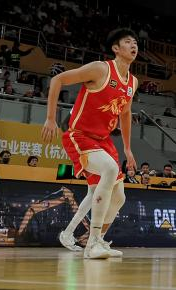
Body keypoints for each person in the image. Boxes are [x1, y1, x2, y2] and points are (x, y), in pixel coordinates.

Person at [43, 28, 139, 259]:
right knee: (109, 169)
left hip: (104, 140)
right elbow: (57, 79)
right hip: (79, 135)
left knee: (119, 197)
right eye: (128, 42)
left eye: (136, 42)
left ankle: (99, 241)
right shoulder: (100, 69)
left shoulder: (133, 82)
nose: (134, 45)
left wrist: (127, 148)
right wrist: (50, 118)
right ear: (116, 48)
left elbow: (125, 113)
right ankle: (92, 244)